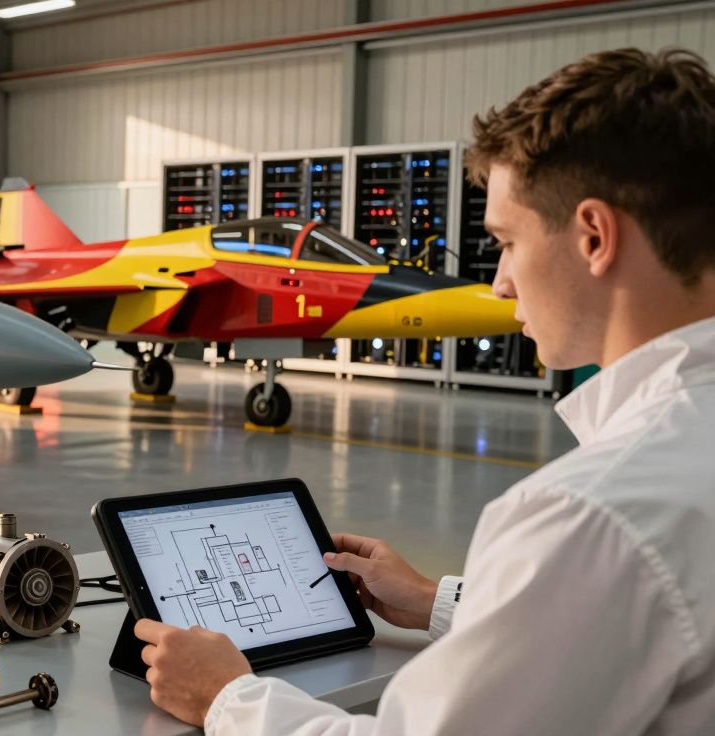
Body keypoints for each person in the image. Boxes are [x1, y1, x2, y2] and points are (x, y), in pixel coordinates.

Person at [135, 47, 715, 734]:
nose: (500, 283)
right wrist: (435, 601)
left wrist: (225, 696)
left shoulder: (588, 515)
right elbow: (607, 629)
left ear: (593, 236)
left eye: (505, 240)